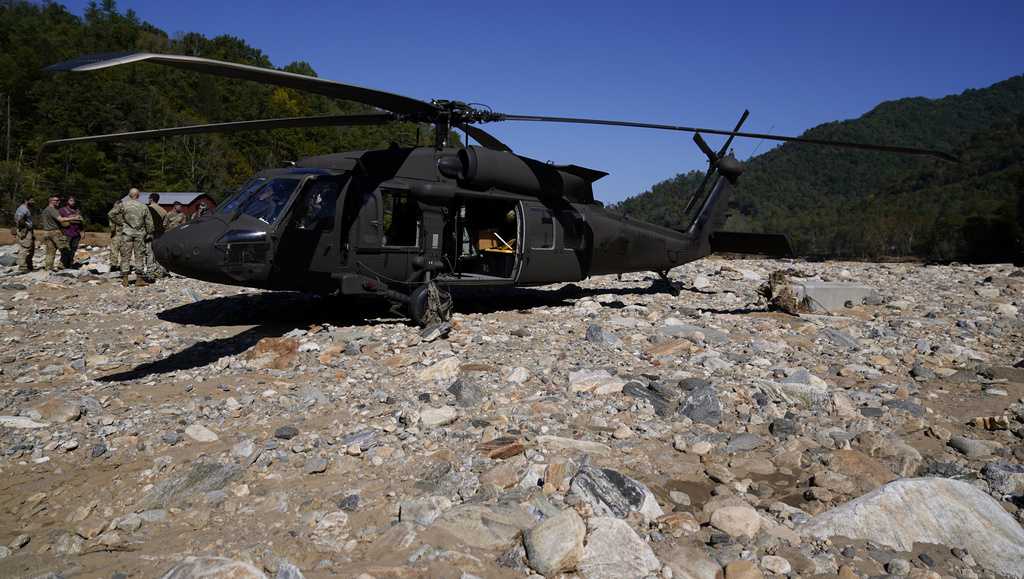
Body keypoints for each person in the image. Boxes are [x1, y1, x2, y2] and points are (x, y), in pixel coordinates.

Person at [110, 188, 154, 287]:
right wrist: (150, 233)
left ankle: (125, 279)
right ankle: (139, 279)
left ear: (129, 195)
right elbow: (149, 222)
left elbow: (111, 214)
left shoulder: (123, 205)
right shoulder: (143, 206)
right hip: (140, 234)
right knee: (139, 256)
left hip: (126, 234)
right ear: (138, 196)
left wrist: (121, 223)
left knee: (125, 256)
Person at [39, 195, 76, 271]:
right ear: (51, 201)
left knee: (50, 252)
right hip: (55, 232)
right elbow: (61, 220)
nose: (58, 202)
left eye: (59, 200)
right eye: (56, 200)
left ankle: (48, 269)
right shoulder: (52, 210)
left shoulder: (45, 210)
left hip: (46, 232)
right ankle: (63, 266)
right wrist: (73, 218)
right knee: (66, 249)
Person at [146, 193, 168, 278]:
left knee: (149, 252)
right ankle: (159, 270)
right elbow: (165, 224)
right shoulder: (163, 210)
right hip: (159, 234)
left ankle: (150, 271)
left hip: (149, 234)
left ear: (151, 199)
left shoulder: (147, 209)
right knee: (157, 252)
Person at [59, 195, 83, 268]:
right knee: (65, 250)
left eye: (74, 201)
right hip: (67, 233)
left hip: (76, 233)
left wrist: (82, 231)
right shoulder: (62, 210)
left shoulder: (77, 210)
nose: (73, 202)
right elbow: (59, 221)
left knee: (73, 249)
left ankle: (69, 263)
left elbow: (81, 221)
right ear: (67, 201)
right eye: (71, 200)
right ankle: (62, 264)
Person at [13, 197, 35, 274]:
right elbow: (19, 219)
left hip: (27, 230)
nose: (33, 202)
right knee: (25, 248)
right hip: (24, 230)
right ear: (26, 200)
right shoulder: (23, 209)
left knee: (30, 248)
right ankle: (22, 267)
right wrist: (26, 226)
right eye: (32, 200)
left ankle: (28, 266)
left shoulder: (26, 208)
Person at [107, 199, 123, 272]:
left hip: (116, 234)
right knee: (124, 252)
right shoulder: (124, 212)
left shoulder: (113, 213)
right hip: (125, 234)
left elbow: (112, 227)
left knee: (114, 251)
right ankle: (124, 267)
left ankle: (114, 266)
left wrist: (112, 233)